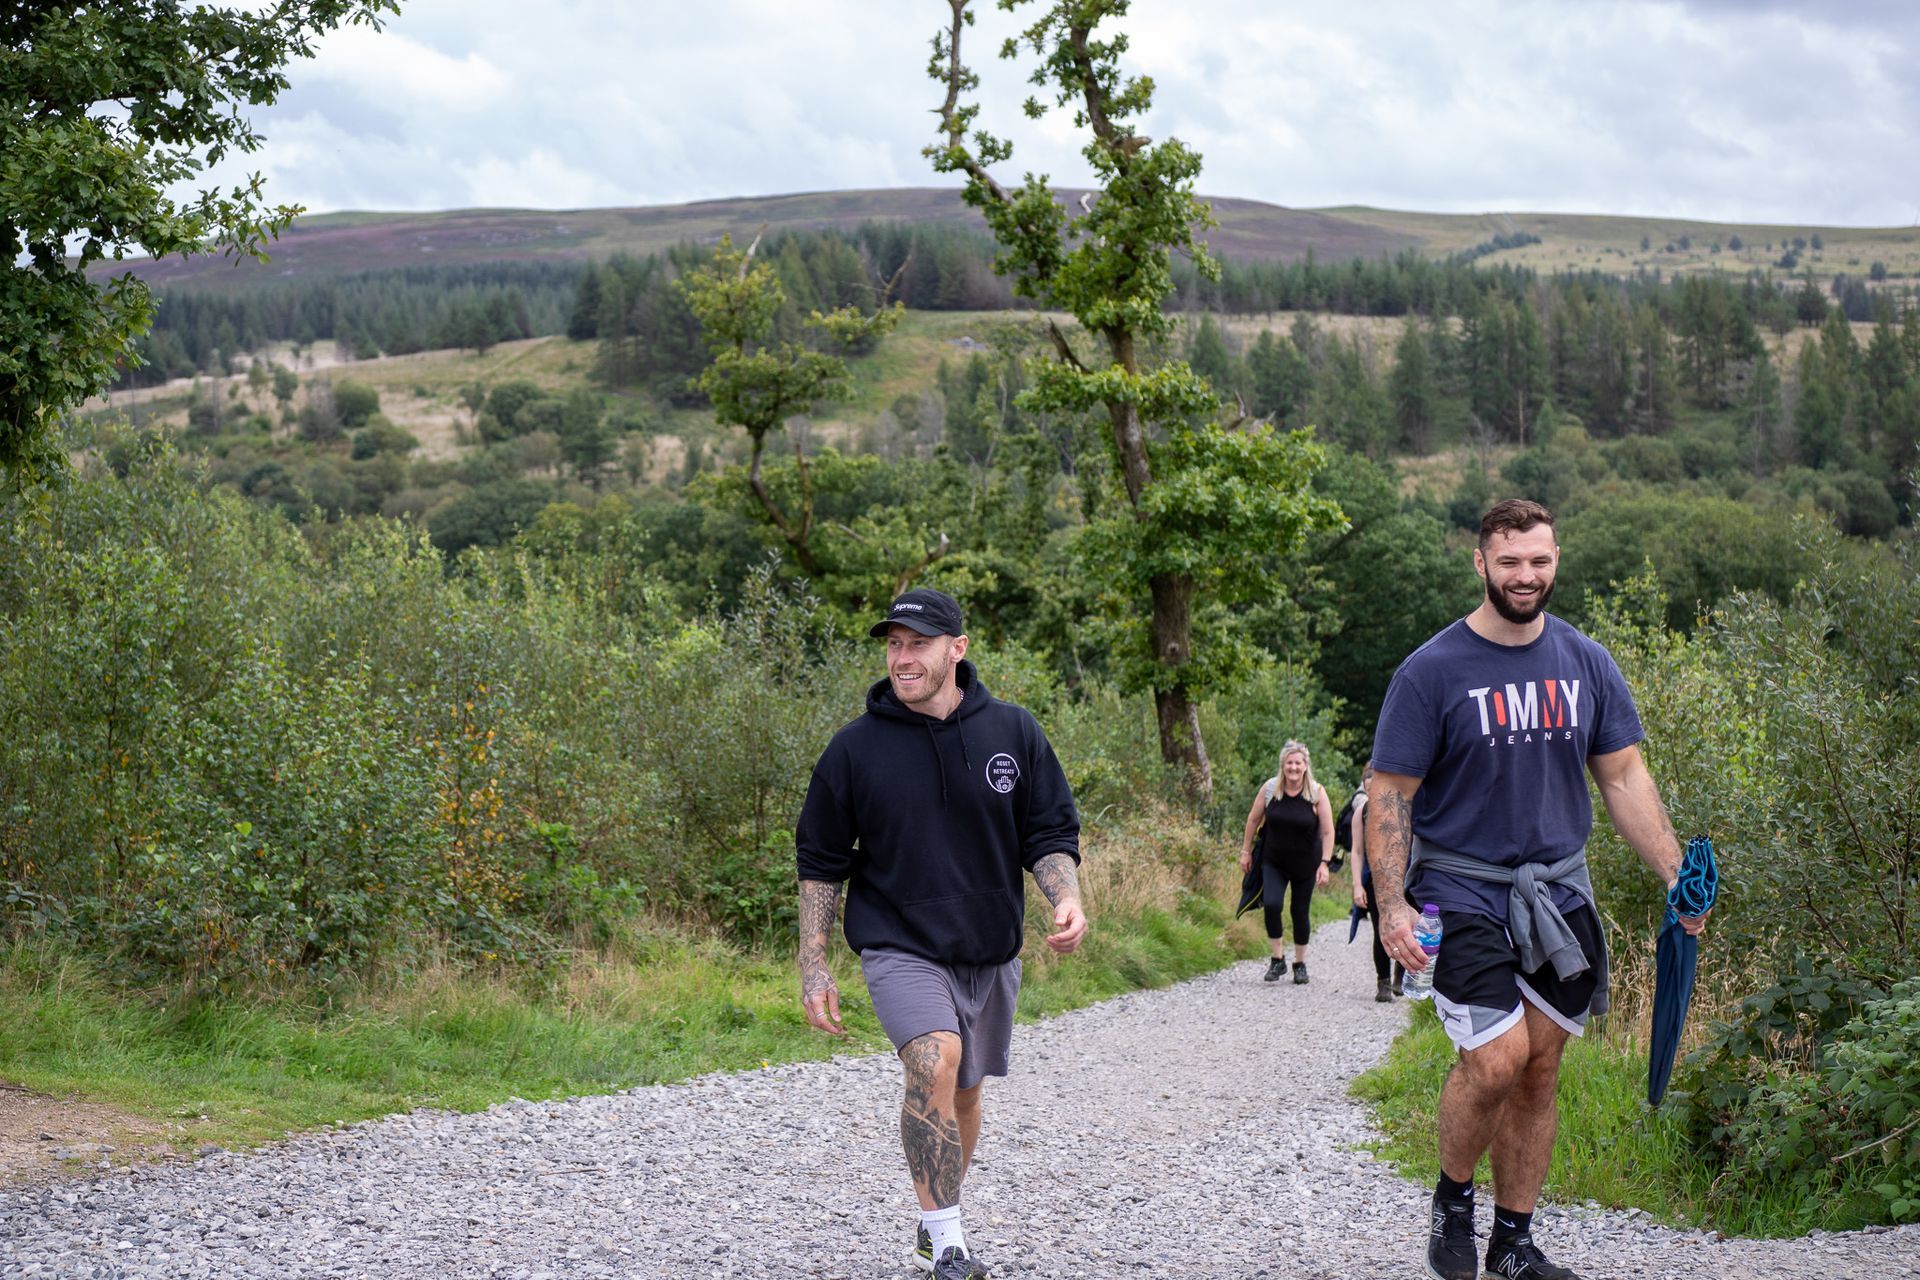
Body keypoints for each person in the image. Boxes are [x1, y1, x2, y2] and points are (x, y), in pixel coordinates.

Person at [1365, 499, 1710, 1280]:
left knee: (1540, 1069)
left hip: (1559, 892)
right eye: (1510, 561)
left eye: (1540, 561)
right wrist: (1391, 904)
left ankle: (1513, 1242)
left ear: (1556, 561)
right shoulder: (1431, 670)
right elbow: (1390, 792)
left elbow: (1622, 776)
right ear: (1480, 563)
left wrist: (1675, 875)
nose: (1526, 575)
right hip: (1463, 887)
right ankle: (1453, 1200)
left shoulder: (1586, 661)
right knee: (1496, 1060)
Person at [795, 587, 1087, 1280]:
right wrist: (814, 963)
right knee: (933, 1059)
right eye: (894, 645)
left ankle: (933, 1224)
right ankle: (950, 1246)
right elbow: (820, 863)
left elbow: (1048, 833)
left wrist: (1067, 898)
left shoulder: (1014, 732)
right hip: (898, 942)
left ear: (957, 648)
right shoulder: (854, 749)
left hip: (988, 946)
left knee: (964, 1093)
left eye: (918, 644)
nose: (902, 658)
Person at [1238, 740, 1334, 984]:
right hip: (1274, 861)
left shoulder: (1316, 792)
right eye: (1289, 763)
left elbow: (1328, 831)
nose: (1293, 767)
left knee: (1300, 912)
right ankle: (1277, 959)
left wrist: (1324, 863)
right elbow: (1253, 820)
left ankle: (1300, 964)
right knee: (1271, 904)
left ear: (1305, 765)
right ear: (1283, 765)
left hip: (1306, 864)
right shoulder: (1271, 789)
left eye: (1298, 763)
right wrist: (1245, 851)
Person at [1347, 764, 1404, 1002]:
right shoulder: (1362, 813)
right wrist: (1357, 885)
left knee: (1406, 928)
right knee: (1381, 929)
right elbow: (1357, 851)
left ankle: (1400, 977)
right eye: (1369, 789)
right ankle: (1383, 983)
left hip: (1404, 878)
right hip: (1375, 879)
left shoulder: (1403, 808)